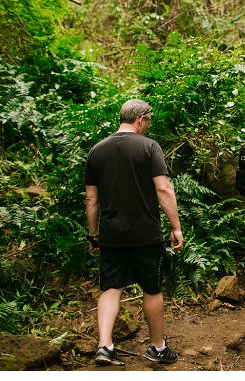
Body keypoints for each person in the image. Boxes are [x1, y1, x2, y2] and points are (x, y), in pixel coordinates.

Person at [85, 99, 184, 366]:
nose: (148, 126)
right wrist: (176, 227)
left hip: (112, 233)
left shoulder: (97, 150)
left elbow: (91, 199)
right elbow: (164, 189)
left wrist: (94, 234)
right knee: (151, 289)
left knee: (111, 287)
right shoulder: (149, 147)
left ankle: (105, 346)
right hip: (145, 232)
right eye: (149, 121)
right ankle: (157, 348)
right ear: (141, 119)